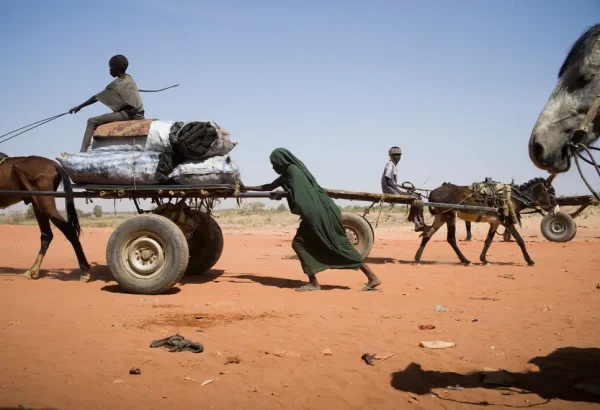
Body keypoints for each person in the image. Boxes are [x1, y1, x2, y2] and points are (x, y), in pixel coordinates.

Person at [249, 148, 381, 292]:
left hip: (317, 214)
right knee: (334, 243)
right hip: (320, 211)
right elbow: (269, 186)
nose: (273, 167)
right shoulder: (289, 173)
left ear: (281, 161)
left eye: (274, 163)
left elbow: (300, 194)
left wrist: (284, 194)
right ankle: (370, 277)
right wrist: (246, 187)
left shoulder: (293, 172)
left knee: (306, 244)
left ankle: (315, 283)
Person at [69, 55, 145, 152]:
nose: (109, 70)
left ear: (117, 67)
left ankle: (82, 152)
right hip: (139, 113)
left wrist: (79, 107)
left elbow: (95, 98)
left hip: (129, 114)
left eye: (111, 67)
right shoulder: (129, 78)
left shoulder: (115, 84)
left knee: (92, 121)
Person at [381, 146, 426, 231]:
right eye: (395, 155)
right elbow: (388, 181)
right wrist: (400, 191)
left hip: (390, 188)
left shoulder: (393, 165)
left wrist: (404, 188)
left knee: (415, 195)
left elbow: (393, 183)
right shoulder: (390, 164)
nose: (397, 157)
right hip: (388, 189)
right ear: (391, 156)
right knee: (417, 199)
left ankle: (415, 220)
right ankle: (418, 223)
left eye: (399, 155)